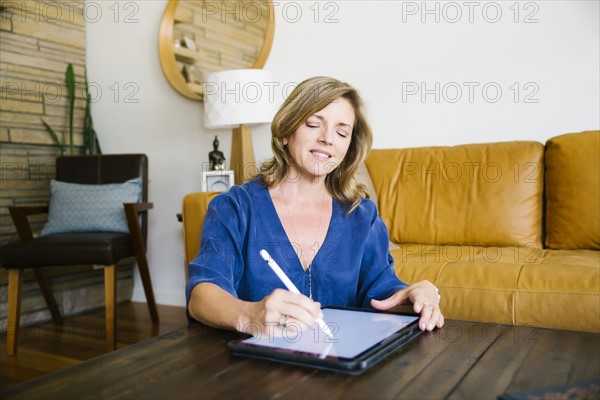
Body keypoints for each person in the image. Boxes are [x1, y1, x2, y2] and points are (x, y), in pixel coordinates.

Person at [186, 76, 444, 337]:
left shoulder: (362, 216)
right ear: (286, 132)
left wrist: (413, 296)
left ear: (348, 146)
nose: (327, 139)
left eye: (342, 132)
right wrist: (249, 315)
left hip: (340, 368)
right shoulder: (235, 208)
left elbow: (383, 292)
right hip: (255, 367)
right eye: (313, 124)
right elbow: (201, 295)